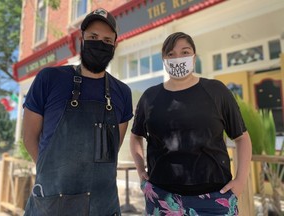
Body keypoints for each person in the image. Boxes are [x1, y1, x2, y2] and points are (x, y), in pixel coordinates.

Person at [22, 8, 133, 216]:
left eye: (107, 40)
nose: (100, 43)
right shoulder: (49, 78)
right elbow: (29, 137)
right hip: (53, 203)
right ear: (82, 38)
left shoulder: (123, 93)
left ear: (115, 46)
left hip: (103, 205)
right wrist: (51, 174)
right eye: (93, 37)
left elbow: (112, 148)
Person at [130, 32, 252, 215]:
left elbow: (242, 138)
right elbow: (135, 137)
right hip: (162, 198)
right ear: (164, 59)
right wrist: (141, 172)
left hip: (215, 198)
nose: (178, 58)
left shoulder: (216, 91)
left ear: (194, 57)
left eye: (185, 52)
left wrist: (240, 181)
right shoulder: (149, 97)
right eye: (171, 54)